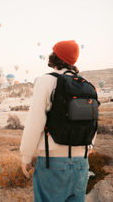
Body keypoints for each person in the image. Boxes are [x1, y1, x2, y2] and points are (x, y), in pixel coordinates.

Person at [20, 40, 95, 202]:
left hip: (52, 162)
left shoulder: (46, 81)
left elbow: (35, 121)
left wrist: (26, 156)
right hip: (82, 163)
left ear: (56, 56)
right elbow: (92, 123)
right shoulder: (86, 84)